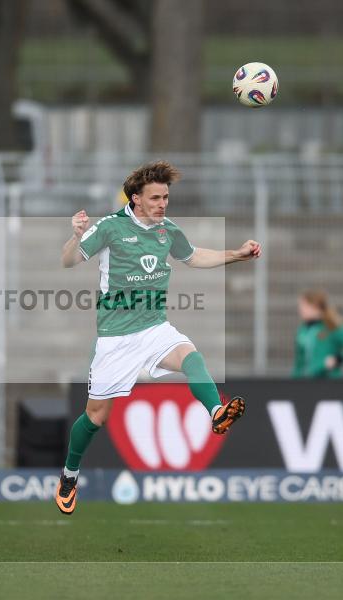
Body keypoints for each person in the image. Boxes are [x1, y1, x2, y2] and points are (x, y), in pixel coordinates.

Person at [55, 160, 261, 514]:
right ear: (135, 198)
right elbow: (67, 262)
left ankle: (215, 412)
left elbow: (193, 257)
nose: (162, 204)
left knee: (190, 355)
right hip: (115, 339)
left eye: (165, 197)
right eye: (155, 198)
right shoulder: (110, 228)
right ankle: (70, 475)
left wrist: (237, 255)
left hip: (154, 328)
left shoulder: (168, 230)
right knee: (95, 418)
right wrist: (75, 236)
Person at [291, 289, 343, 379]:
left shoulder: (331, 327)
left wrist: (337, 359)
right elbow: (299, 360)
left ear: (316, 307)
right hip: (308, 380)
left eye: (304, 306)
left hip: (329, 380)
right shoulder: (303, 330)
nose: (300, 309)